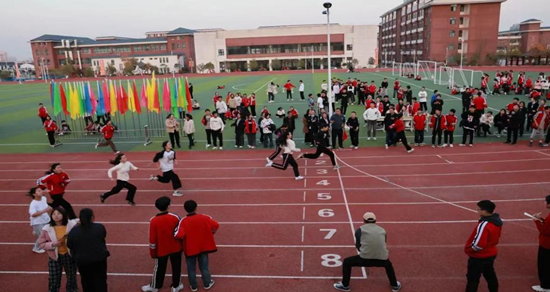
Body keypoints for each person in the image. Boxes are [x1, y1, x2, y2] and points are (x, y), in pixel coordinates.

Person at [333, 212, 402, 292]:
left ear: (364, 221)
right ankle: (395, 285)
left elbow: (358, 247)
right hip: (382, 260)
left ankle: (345, 285)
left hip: (364, 258)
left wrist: (366, 251)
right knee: (388, 265)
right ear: (375, 220)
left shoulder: (359, 230)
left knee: (347, 262)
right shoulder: (383, 230)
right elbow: (384, 243)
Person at [175, 200, 219, 291]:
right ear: (196, 207)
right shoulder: (204, 217)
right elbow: (215, 225)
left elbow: (179, 235)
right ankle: (207, 283)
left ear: (185, 209)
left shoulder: (184, 221)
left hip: (190, 248)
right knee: (204, 267)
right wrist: (211, 233)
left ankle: (193, 286)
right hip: (203, 247)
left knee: (191, 268)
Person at [142, 197, 184, 292]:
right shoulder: (175, 217)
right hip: (176, 248)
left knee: (159, 268)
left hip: (161, 249)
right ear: (168, 206)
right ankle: (176, 286)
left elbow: (152, 239)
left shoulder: (154, 220)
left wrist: (152, 252)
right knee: (177, 267)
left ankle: (155, 286)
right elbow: (180, 232)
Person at [67, 208, 109, 292]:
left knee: (86, 280)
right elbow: (103, 236)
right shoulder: (99, 227)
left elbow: (70, 245)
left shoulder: (74, 231)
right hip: (99, 259)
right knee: (100, 280)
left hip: (82, 260)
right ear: (92, 217)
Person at [464, 200, 502, 292]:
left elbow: (479, 244)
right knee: (490, 275)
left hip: (479, 256)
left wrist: (469, 250)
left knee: (473, 279)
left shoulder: (484, 224)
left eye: (478, 209)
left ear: (484, 211)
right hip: (490, 253)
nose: (477, 211)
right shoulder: (497, 221)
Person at [39, 207, 79, 292]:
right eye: (54, 214)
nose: (56, 216)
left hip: (69, 255)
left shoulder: (71, 225)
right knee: (54, 277)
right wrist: (53, 244)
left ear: (64, 215)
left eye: (59, 214)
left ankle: (72, 290)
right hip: (54, 257)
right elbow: (41, 244)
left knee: (71, 276)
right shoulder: (47, 228)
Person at [530, 195, 550, 292]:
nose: (544, 203)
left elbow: (545, 230)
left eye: (545, 201)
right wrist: (542, 219)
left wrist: (537, 221)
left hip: (547, 245)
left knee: (544, 265)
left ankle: (545, 286)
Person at [28, 187, 51, 253]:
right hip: (38, 222)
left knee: (48, 232)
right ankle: (36, 248)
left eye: (41, 190)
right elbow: (33, 214)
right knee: (42, 236)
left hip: (45, 219)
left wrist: (49, 208)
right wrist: (45, 210)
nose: (41, 192)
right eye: (38, 191)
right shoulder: (33, 204)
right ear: (34, 194)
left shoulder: (44, 198)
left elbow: (45, 206)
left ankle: (36, 231)